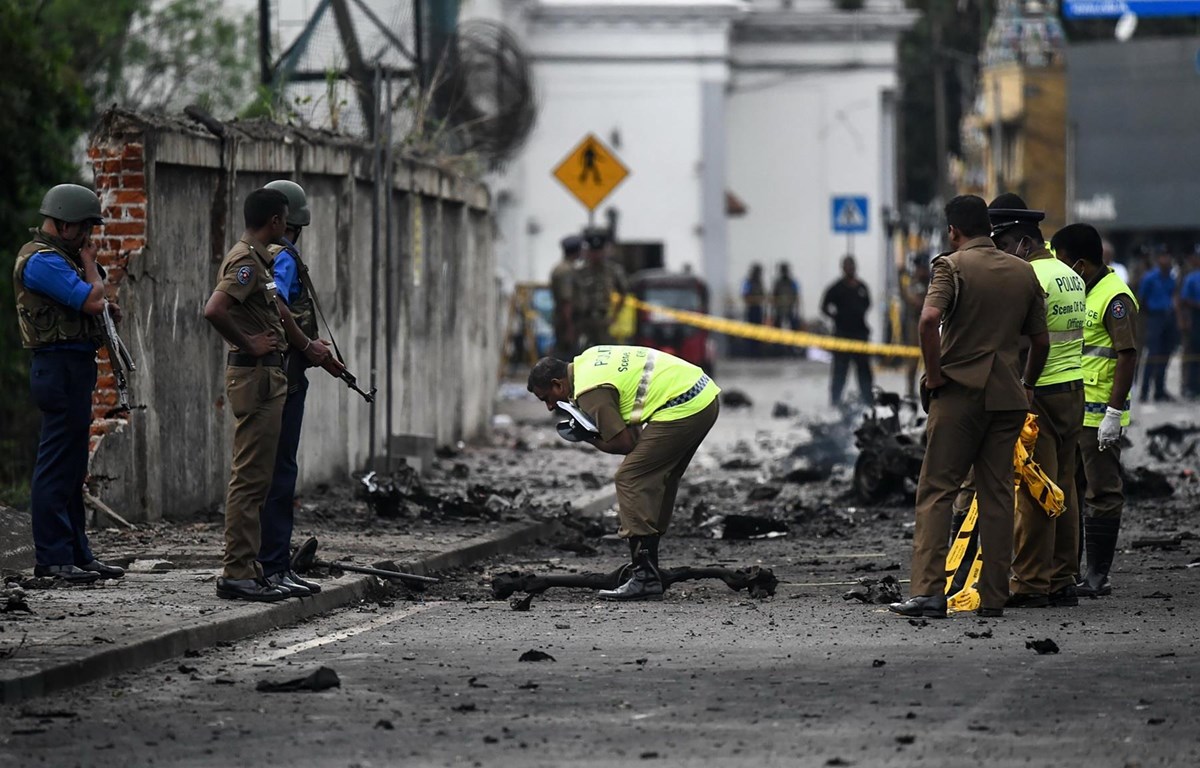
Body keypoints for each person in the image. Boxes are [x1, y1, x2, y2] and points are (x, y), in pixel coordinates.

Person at [889, 195, 1048, 620]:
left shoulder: (952, 266)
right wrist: (1027, 385)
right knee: (997, 494)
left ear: (954, 232)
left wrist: (935, 375)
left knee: (937, 490)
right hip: (1008, 396)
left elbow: (927, 321)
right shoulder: (1022, 272)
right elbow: (1041, 341)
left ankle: (927, 593)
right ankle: (994, 595)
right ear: (990, 230)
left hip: (960, 394)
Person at [527, 346, 720, 601]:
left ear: (557, 384)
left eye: (546, 398)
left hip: (685, 405)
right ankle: (648, 567)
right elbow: (635, 430)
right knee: (660, 475)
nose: (551, 407)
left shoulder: (589, 391)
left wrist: (587, 437)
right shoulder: (588, 360)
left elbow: (624, 443)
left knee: (630, 478)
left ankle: (644, 577)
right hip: (703, 396)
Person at [12, 184, 127, 584]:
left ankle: (78, 554)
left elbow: (92, 305)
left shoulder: (62, 257)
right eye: (83, 229)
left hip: (74, 368)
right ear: (62, 223)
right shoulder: (42, 260)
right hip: (56, 369)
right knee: (55, 466)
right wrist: (91, 267)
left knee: (74, 466)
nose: (87, 238)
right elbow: (91, 300)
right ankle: (53, 559)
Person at [989, 194, 1085, 609]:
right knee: (1065, 486)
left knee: (1034, 489)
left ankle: (1030, 582)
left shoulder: (1031, 278)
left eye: (1006, 247)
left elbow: (1023, 342)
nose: (1004, 257)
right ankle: (1062, 578)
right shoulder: (1071, 275)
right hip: (1073, 390)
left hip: (1039, 393)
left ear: (1024, 244)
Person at [203, 188, 296, 602]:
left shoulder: (260, 259)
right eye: (285, 221)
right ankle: (236, 570)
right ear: (275, 221)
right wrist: (248, 343)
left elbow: (275, 312)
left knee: (258, 479)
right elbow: (214, 309)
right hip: (255, 377)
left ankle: (249, 566)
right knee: (250, 479)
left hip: (266, 378)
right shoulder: (245, 261)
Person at [257, 180, 341, 598]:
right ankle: (272, 565)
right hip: (285, 374)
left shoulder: (259, 256)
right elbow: (279, 308)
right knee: (280, 472)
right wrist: (309, 346)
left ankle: (268, 563)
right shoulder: (284, 257)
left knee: (266, 471)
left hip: (271, 372)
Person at [1052, 224, 1139, 598]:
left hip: (1099, 418)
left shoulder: (1115, 296)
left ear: (1083, 264)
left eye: (1066, 263)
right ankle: (1068, 572)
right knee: (1069, 491)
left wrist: (1114, 414)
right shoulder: (1082, 293)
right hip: (1074, 413)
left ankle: (1097, 576)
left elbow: (1127, 355)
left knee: (1102, 492)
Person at [820, 255, 874, 406]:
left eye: (852, 266)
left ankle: (868, 401)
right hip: (842, 335)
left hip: (860, 334)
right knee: (839, 372)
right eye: (847, 266)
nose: (850, 269)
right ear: (843, 268)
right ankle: (835, 402)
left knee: (864, 372)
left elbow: (868, 304)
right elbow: (824, 306)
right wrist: (836, 317)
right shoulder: (836, 288)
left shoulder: (862, 287)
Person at [572, 231, 627, 348]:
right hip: (583, 320)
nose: (596, 255)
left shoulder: (613, 270)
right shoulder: (579, 271)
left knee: (606, 351)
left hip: (603, 319)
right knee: (581, 352)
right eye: (593, 251)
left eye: (599, 251)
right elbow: (572, 295)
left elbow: (623, 293)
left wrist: (615, 315)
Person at [1137, 247, 1178, 402]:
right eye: (1163, 257)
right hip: (1154, 317)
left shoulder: (1171, 277)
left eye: (1168, 257)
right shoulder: (1150, 277)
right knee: (1152, 355)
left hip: (1169, 316)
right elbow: (1142, 298)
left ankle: (1160, 390)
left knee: (1165, 354)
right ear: (1158, 259)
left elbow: (1172, 295)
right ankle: (1144, 391)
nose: (1166, 260)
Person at [901, 255, 930, 397]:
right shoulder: (911, 282)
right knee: (912, 361)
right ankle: (910, 391)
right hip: (914, 323)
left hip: (929, 322)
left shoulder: (931, 282)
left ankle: (928, 388)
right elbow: (912, 300)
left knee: (929, 359)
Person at [550, 235, 581, 357]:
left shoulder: (562, 268)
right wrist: (570, 328)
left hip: (565, 321)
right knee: (567, 357)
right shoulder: (566, 271)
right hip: (567, 321)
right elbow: (566, 301)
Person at [1180, 250, 1200, 398]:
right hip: (1195, 317)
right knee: (1193, 353)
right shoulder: (1191, 278)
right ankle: (1191, 387)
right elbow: (1184, 299)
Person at [741, 263, 766, 357]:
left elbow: (763, 295)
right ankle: (751, 351)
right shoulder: (748, 282)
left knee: (759, 331)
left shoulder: (759, 282)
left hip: (758, 308)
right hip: (751, 308)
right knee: (750, 331)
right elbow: (744, 295)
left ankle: (758, 351)